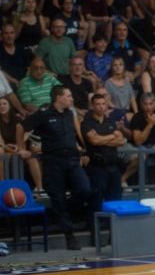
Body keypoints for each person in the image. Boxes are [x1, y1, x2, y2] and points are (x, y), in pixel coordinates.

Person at [18, 86, 99, 250]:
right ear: (58, 97)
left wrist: (82, 149)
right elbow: (21, 126)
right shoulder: (44, 114)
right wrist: (21, 148)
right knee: (58, 197)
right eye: (68, 96)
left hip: (72, 159)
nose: (71, 99)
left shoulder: (70, 114)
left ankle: (65, 209)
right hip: (53, 161)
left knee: (85, 189)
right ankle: (70, 236)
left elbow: (75, 135)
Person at [82, 93, 126, 202]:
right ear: (92, 106)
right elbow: (94, 141)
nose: (101, 107)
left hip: (113, 166)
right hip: (97, 167)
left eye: (103, 104)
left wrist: (101, 139)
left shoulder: (110, 122)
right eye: (98, 104)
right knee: (96, 201)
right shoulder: (87, 123)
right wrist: (112, 136)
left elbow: (121, 141)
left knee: (115, 200)